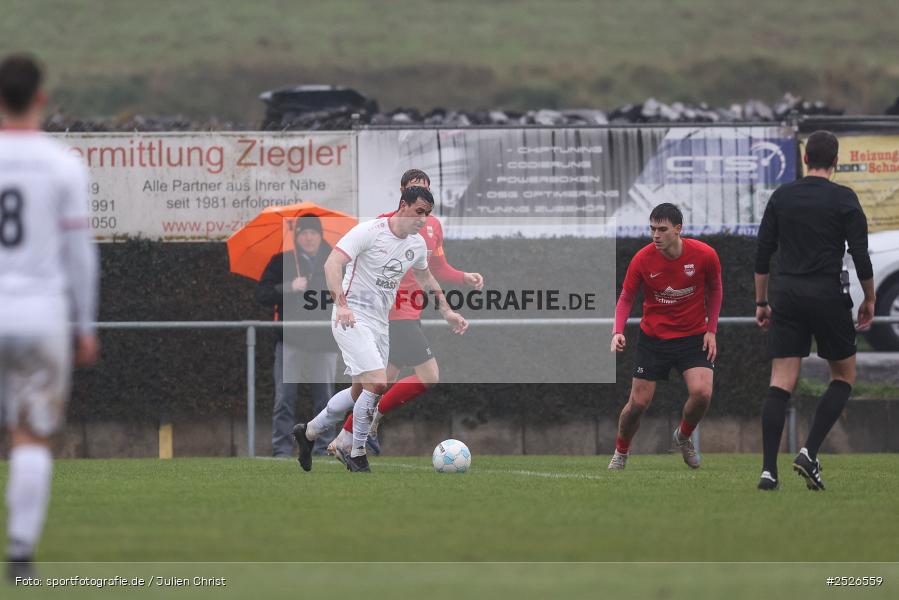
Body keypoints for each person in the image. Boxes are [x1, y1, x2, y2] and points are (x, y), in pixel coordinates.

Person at [0, 54, 99, 580]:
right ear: (40, 97)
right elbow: (80, 252)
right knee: (31, 436)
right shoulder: (62, 163)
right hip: (40, 314)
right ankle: (19, 554)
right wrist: (85, 325)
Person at [292, 186, 468, 472]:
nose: (423, 220)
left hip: (379, 323)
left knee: (359, 390)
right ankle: (358, 453)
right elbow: (332, 263)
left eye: (427, 214)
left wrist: (446, 310)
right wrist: (343, 304)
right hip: (350, 317)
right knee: (378, 383)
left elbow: (425, 277)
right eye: (419, 212)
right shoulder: (369, 231)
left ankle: (309, 432)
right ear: (403, 205)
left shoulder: (417, 244)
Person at [326, 169, 483, 462]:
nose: (420, 204)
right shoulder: (385, 224)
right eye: (413, 189)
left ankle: (344, 438)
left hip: (412, 311)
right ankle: (361, 429)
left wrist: (463, 279)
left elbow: (435, 270)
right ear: (403, 196)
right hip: (393, 313)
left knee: (377, 381)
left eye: (424, 190)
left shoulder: (431, 225)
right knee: (427, 375)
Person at [754, 130, 874, 491]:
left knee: (781, 381)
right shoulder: (844, 198)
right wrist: (869, 299)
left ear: (805, 159)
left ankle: (768, 471)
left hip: (787, 293)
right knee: (842, 377)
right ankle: (808, 451)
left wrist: (762, 302)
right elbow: (861, 256)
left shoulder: (782, 196)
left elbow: (762, 254)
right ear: (835, 161)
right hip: (827, 293)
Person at [608, 203, 722, 470]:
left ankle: (683, 435)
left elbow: (715, 290)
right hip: (654, 339)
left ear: (678, 229)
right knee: (637, 404)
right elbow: (626, 297)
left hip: (693, 337)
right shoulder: (642, 259)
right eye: (652, 229)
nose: (655, 235)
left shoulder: (705, 255)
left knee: (702, 393)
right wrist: (617, 331)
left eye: (662, 229)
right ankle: (621, 452)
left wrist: (712, 330)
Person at [256, 215, 338, 457]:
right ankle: (281, 449)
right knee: (284, 399)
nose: (309, 238)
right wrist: (289, 287)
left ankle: (325, 448)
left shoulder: (335, 260)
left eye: (313, 233)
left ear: (320, 235)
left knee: (326, 401)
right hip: (289, 341)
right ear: (296, 236)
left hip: (325, 341)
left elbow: (349, 293)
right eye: (303, 233)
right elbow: (261, 294)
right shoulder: (281, 261)